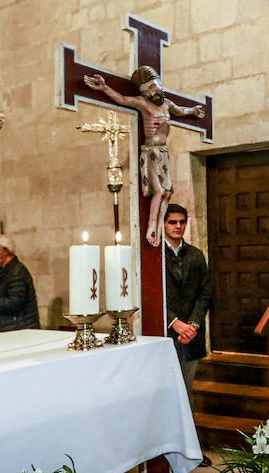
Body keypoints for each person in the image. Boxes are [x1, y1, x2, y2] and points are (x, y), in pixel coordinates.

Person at [83, 67, 205, 248]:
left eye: (152, 87)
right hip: (151, 152)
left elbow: (181, 111)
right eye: (145, 91)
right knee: (160, 192)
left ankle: (159, 227)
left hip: (163, 152)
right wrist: (104, 88)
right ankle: (151, 227)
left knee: (168, 193)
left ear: (159, 82)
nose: (150, 93)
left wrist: (193, 111)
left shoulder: (167, 104)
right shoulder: (143, 103)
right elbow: (123, 100)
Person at [163, 204, 211, 394]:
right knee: (167, 391)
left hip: (191, 335)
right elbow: (152, 296)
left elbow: (205, 293)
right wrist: (174, 323)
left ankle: (188, 425)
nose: (178, 226)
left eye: (182, 222)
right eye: (172, 222)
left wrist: (192, 325)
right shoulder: (154, 257)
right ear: (163, 224)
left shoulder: (196, 255)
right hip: (165, 332)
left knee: (186, 389)